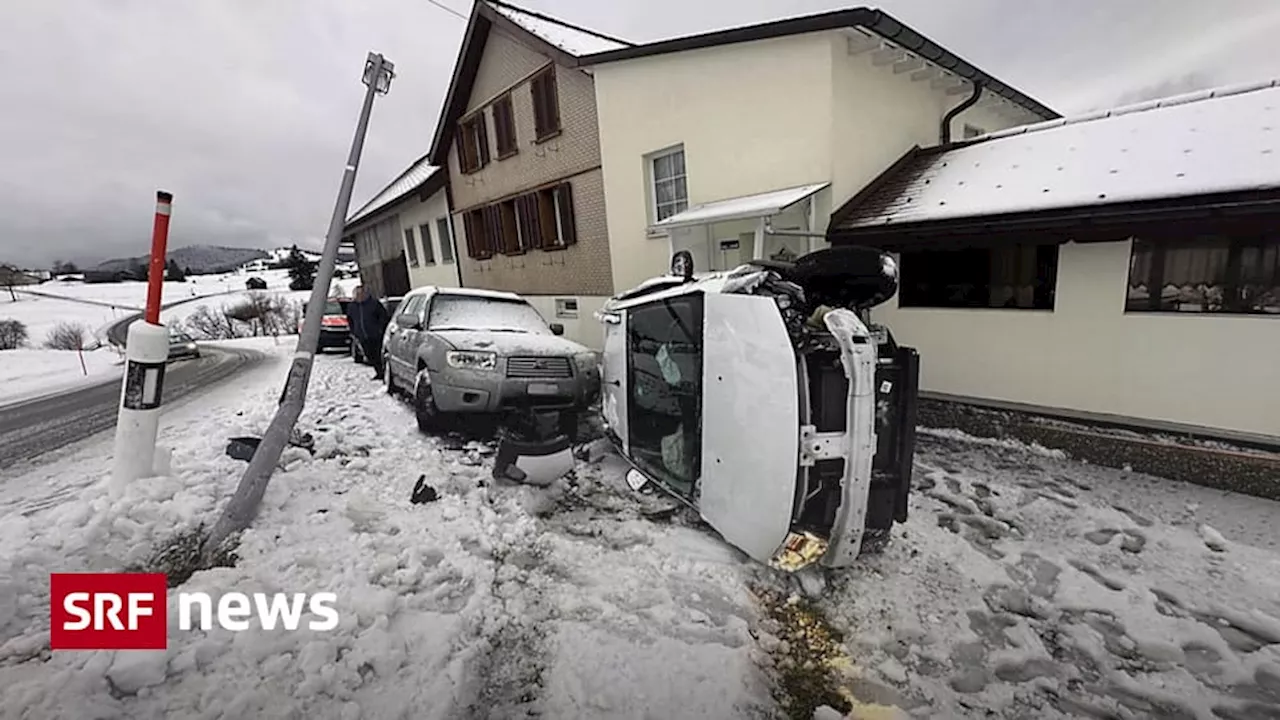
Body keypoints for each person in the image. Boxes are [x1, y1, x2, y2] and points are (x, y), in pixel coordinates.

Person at [347, 285, 389, 379]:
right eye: (357, 294)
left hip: (375, 335)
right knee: (369, 355)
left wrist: (379, 329)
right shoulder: (352, 306)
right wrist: (353, 331)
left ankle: (383, 372)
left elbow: (383, 317)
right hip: (362, 336)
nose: (359, 295)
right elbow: (350, 320)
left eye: (361, 293)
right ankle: (379, 372)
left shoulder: (374, 304)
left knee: (378, 354)